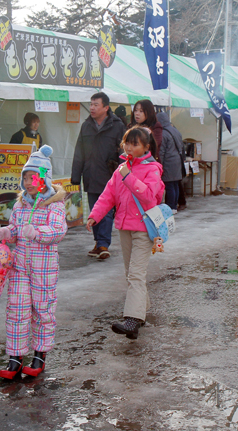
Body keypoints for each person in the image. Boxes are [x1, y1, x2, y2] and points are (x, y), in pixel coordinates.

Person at [0, 145, 67, 380]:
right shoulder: (19, 204)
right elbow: (16, 230)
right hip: (20, 266)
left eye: (33, 177)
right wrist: (8, 232)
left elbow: (57, 231)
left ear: (44, 178)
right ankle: (15, 357)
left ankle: (40, 354)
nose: (28, 182)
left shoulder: (55, 204)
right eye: (25, 177)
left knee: (43, 309)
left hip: (44, 268)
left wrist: (36, 232)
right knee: (17, 308)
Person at [87, 127, 165, 340]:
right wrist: (95, 215)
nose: (129, 147)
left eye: (135, 144)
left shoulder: (152, 169)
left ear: (146, 147)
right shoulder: (121, 168)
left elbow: (149, 196)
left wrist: (128, 176)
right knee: (131, 273)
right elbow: (108, 195)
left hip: (144, 229)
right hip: (124, 228)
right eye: (127, 143)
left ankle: (132, 319)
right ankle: (141, 311)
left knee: (135, 274)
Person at [71, 92, 125, 260]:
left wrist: (124, 173)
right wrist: (75, 176)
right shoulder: (86, 125)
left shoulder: (117, 125)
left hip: (110, 174)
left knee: (107, 210)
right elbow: (79, 151)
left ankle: (103, 243)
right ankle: (98, 242)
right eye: (91, 104)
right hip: (91, 174)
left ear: (106, 108)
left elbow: (124, 151)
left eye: (96, 105)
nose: (92, 107)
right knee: (95, 211)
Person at [156, 111, 184, 211]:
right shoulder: (175, 131)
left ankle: (171, 207)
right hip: (177, 161)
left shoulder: (163, 134)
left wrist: (160, 165)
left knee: (169, 185)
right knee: (175, 184)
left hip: (168, 162)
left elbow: (162, 152)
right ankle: (175, 205)